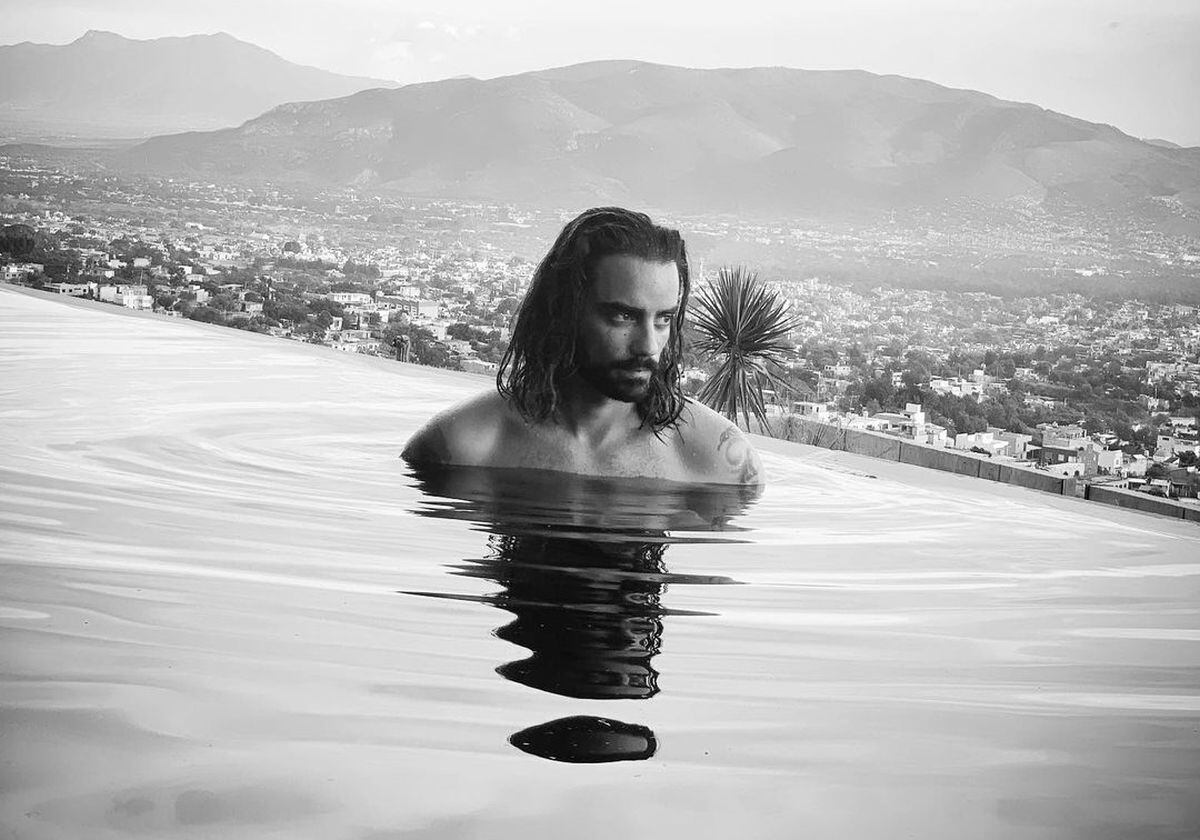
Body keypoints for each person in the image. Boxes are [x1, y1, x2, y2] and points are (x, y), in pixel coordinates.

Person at [402, 207, 762, 485]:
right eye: (623, 316)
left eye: (663, 319)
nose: (648, 345)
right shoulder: (463, 445)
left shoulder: (716, 458)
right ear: (565, 310)